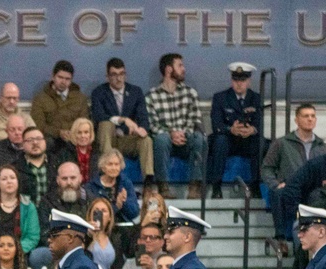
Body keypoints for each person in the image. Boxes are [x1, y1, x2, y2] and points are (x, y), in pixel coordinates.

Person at [262, 104, 325, 248]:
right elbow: (267, 168)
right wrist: (275, 184)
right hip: (289, 188)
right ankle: (281, 238)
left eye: (313, 116)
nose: (310, 119)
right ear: (296, 120)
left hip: (314, 190)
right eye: (305, 116)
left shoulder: (321, 146)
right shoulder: (282, 143)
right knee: (277, 193)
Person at [146, 53, 206, 199]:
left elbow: (195, 120)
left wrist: (182, 133)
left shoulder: (190, 93)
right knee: (160, 139)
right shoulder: (151, 96)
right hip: (165, 143)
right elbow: (152, 124)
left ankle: (194, 187)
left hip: (186, 140)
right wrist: (170, 133)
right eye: (180, 65)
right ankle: (163, 187)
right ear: (168, 69)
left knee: (199, 138)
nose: (183, 69)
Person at [90, 58, 154, 188]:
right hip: (107, 140)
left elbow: (143, 118)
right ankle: (108, 174)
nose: (119, 78)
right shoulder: (99, 92)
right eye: (114, 74)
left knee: (146, 140)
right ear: (107, 77)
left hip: (126, 139)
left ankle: (148, 183)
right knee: (105, 124)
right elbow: (99, 116)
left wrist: (140, 129)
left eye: (122, 74)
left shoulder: (136, 92)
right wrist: (123, 120)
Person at [208, 62, 262, 199]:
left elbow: (258, 123)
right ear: (232, 80)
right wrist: (230, 129)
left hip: (247, 140)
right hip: (228, 139)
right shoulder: (220, 97)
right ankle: (216, 187)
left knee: (260, 142)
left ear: (249, 81)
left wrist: (252, 130)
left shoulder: (256, 98)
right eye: (236, 80)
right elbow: (217, 124)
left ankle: (256, 186)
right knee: (219, 141)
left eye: (243, 80)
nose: (239, 84)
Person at [0, 165, 42, 268]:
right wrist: (1, 250)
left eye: (12, 178)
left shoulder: (29, 206)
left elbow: (32, 237)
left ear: (18, 182)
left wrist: (15, 250)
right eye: (4, 179)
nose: (9, 181)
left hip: (21, 252)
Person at [30, 60, 90, 148]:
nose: (63, 82)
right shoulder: (40, 98)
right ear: (53, 77)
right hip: (51, 139)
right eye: (60, 77)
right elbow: (39, 125)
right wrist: (59, 133)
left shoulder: (80, 98)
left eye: (67, 79)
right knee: (47, 142)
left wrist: (73, 133)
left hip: (74, 138)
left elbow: (85, 122)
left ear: (71, 80)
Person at [87, 149, 140, 247]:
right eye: (110, 164)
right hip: (101, 229)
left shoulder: (126, 183)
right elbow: (95, 214)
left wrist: (124, 202)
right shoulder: (91, 186)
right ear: (103, 167)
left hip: (124, 228)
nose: (114, 168)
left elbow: (135, 212)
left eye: (116, 164)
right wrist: (116, 206)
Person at [36, 162, 88, 255]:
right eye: (64, 178)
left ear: (80, 178)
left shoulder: (90, 200)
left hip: (86, 247)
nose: (69, 182)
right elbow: (44, 232)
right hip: (56, 249)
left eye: (73, 178)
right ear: (58, 180)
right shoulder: (47, 202)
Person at [53, 117, 99, 186]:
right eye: (79, 133)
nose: (83, 136)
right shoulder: (64, 153)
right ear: (74, 134)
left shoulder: (97, 153)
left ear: (91, 134)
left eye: (86, 132)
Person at [17, 127, 52, 207]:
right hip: (26, 214)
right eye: (30, 140)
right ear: (22, 145)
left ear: (45, 142)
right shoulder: (15, 168)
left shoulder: (57, 164)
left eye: (39, 139)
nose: (35, 143)